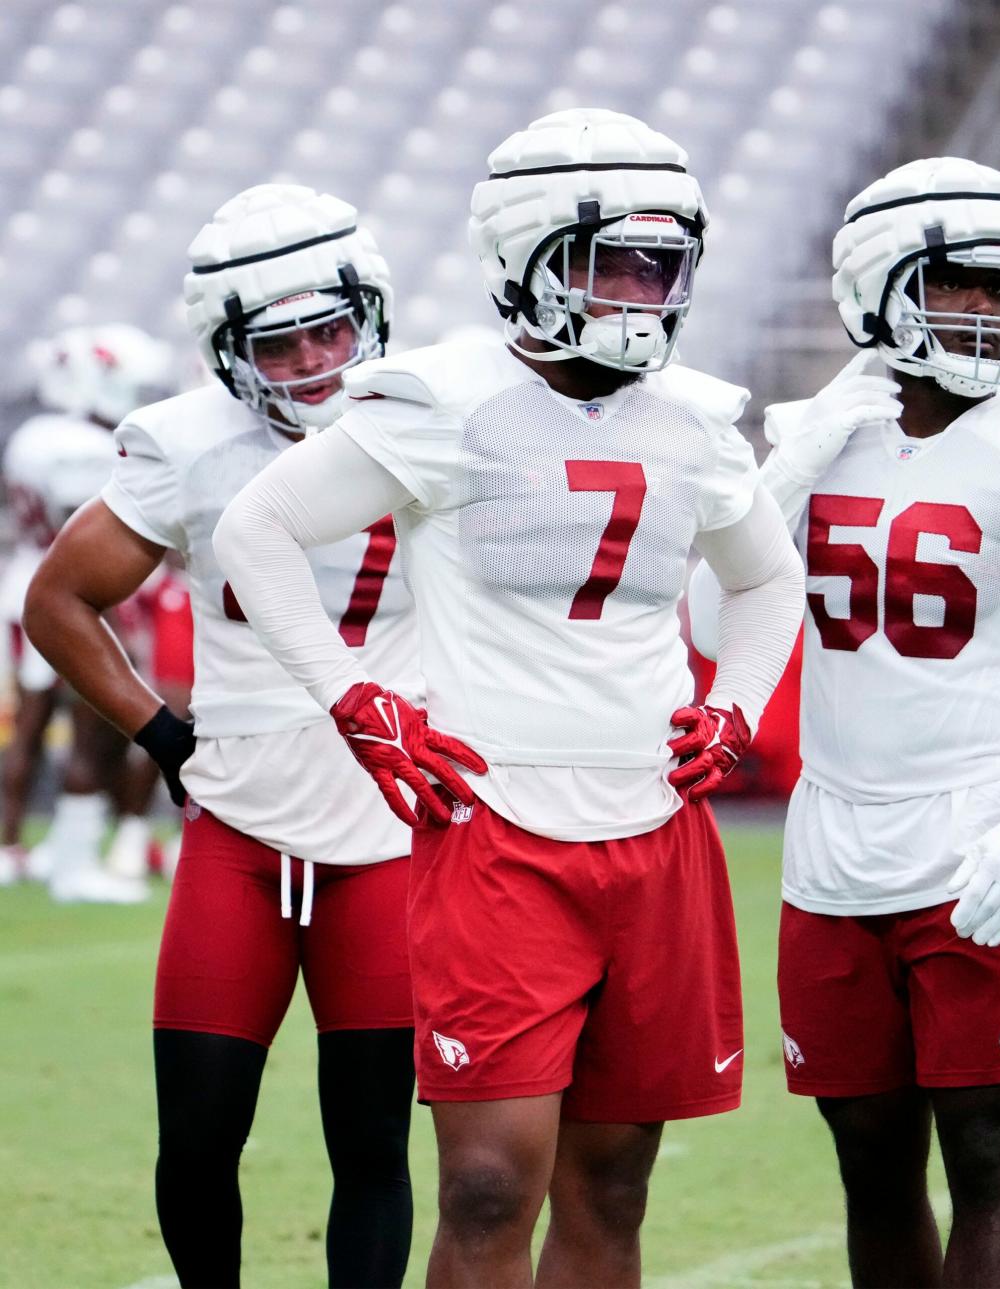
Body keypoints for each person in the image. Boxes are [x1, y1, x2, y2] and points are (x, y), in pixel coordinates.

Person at [212, 108, 807, 1289]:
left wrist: (735, 703)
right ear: (524, 260)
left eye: (664, 261)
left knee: (616, 1184)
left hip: (653, 821)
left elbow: (767, 576)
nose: (644, 290)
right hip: (497, 824)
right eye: (614, 258)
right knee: (487, 1180)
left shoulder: (691, 414)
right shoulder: (443, 396)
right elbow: (256, 528)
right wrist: (354, 698)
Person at [690, 156, 1000, 1288]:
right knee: (870, 1162)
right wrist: (788, 461)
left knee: (988, 1155)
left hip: (979, 830)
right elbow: (710, 615)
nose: (987, 310)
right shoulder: (816, 433)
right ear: (878, 286)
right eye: (959, 285)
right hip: (832, 841)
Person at [24, 184, 420, 1288]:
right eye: (277, 342)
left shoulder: (439, 419)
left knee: (373, 1147)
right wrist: (158, 732)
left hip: (387, 834)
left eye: (327, 330)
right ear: (227, 350)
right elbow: (58, 597)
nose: (308, 363)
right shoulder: (195, 443)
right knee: (197, 1144)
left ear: (371, 314)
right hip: (239, 828)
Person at [0, 324, 174, 898]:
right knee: (88, 727)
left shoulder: (32, 435)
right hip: (66, 593)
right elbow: (82, 534)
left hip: (22, 582)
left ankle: (13, 847)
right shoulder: (79, 445)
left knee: (27, 729)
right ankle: (70, 862)